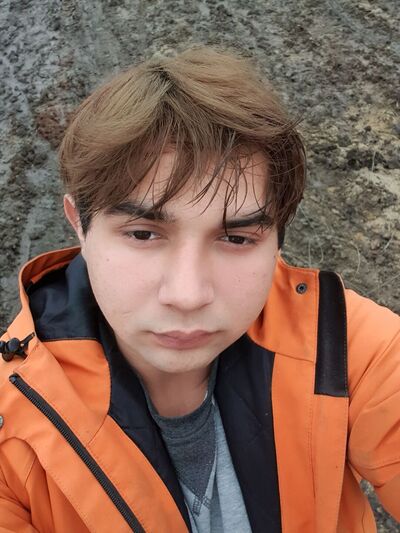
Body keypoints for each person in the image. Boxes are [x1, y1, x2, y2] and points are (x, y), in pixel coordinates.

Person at [0, 46, 398, 533]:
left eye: (236, 239)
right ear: (78, 224)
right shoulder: (10, 424)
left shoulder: (347, 350)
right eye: (143, 234)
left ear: (278, 238)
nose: (187, 295)